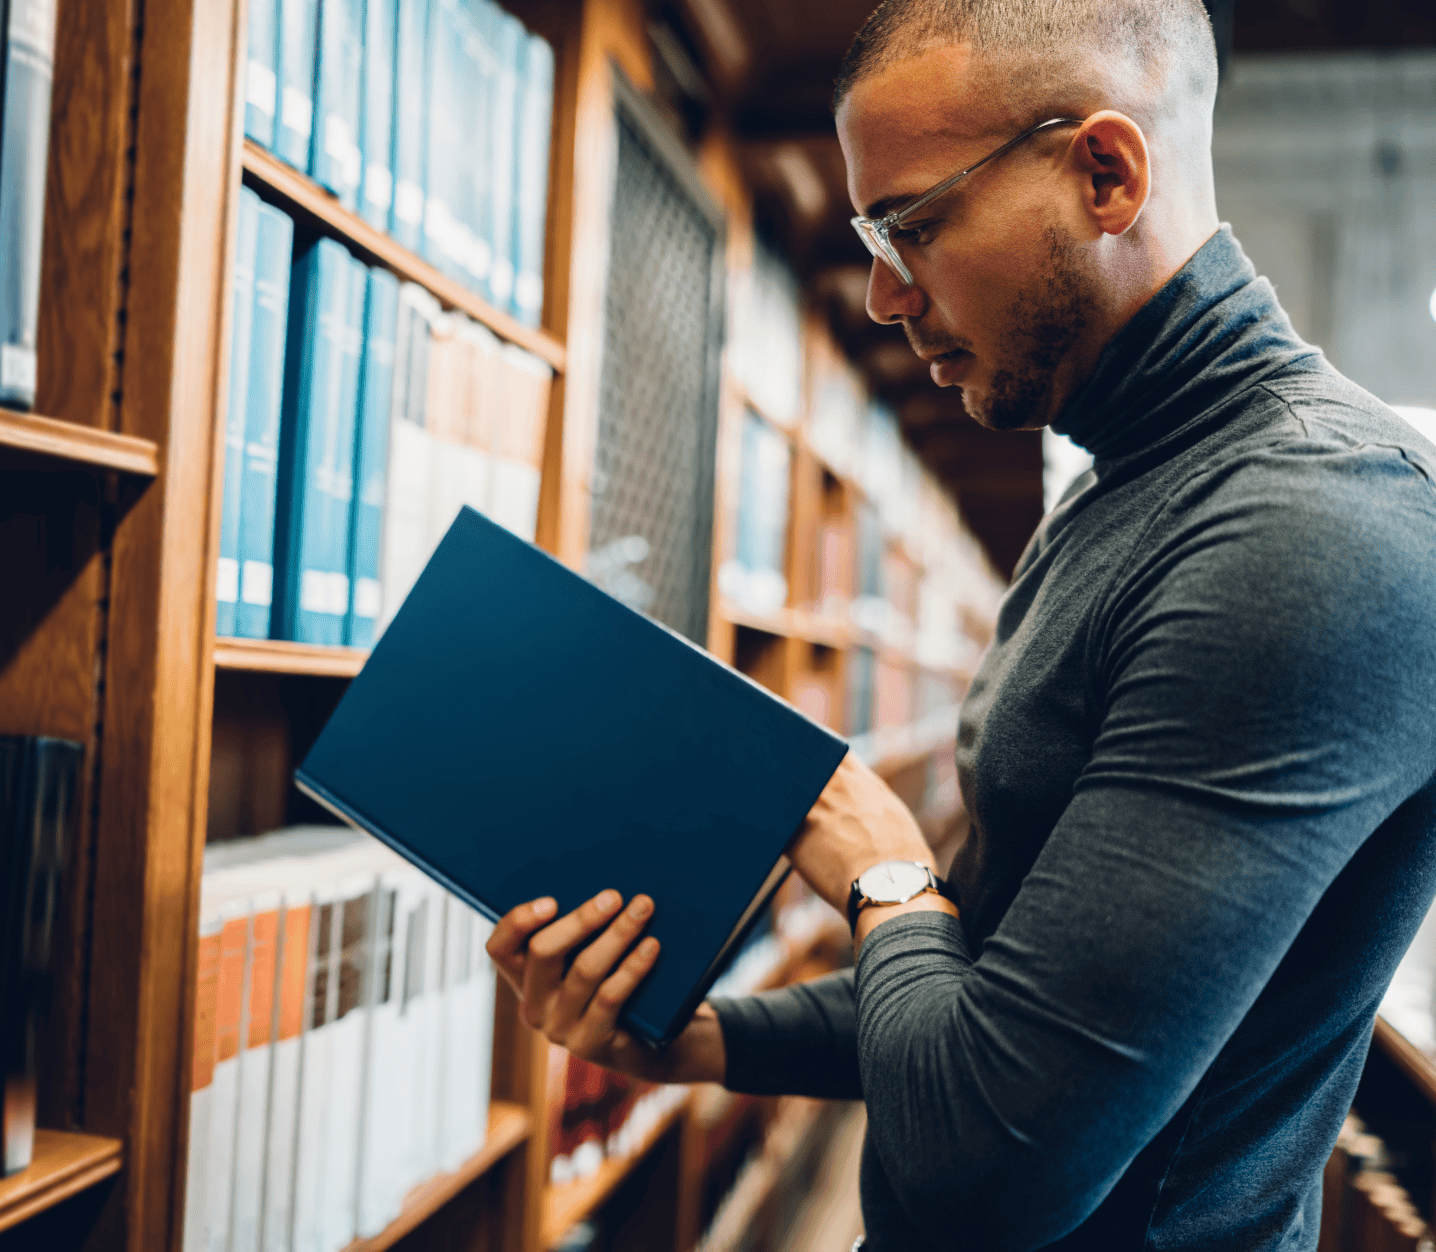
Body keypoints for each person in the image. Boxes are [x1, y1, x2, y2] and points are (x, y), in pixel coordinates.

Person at [487, 0, 1436, 1246]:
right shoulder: (1118, 491)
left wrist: (881, 867)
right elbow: (982, 994)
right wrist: (697, 1038)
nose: (883, 294)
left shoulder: (1312, 531)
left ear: (1105, 171)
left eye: (913, 225)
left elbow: (986, 1165)